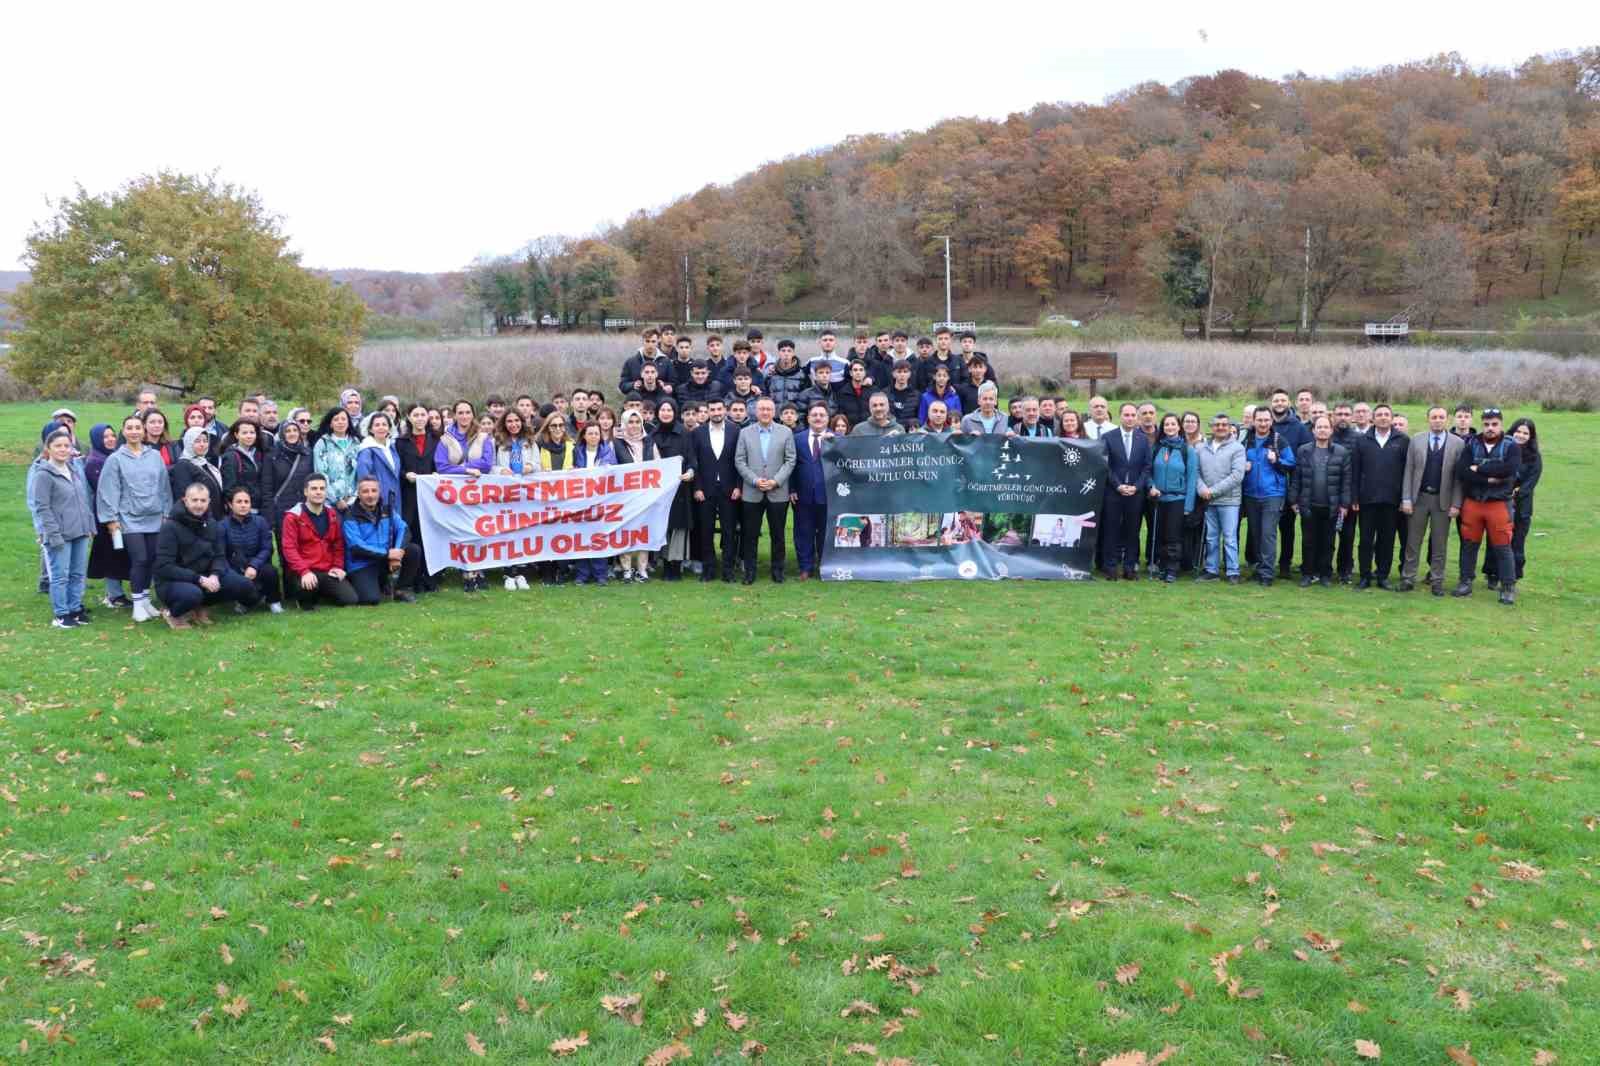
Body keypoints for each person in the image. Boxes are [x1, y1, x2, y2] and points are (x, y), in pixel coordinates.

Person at [97, 412, 173, 622]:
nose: (134, 431)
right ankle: (137, 604)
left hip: (155, 517)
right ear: (123, 431)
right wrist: (111, 520)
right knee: (139, 559)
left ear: (144, 431)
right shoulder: (115, 459)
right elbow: (108, 490)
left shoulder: (154, 456)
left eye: (137, 428)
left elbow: (164, 486)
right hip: (129, 519)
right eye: (129, 428)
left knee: (151, 560)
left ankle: (146, 600)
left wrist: (166, 513)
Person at [152, 481, 257, 628]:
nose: (199, 504)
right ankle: (172, 613)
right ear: (185, 500)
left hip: (205, 576)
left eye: (203, 500)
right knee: (193, 594)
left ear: (209, 502)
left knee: (243, 585)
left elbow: (219, 556)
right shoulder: (169, 527)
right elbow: (164, 567)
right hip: (172, 581)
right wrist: (199, 579)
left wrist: (214, 575)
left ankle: (199, 607)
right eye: (194, 500)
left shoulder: (212, 524)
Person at [29, 426, 96, 628]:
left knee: (77, 574)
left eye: (67, 446)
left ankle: (75, 609)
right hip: (59, 534)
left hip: (80, 531)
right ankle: (61, 614)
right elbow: (42, 507)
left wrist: (89, 525)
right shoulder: (43, 474)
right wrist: (53, 534)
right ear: (48, 448)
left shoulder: (74, 469)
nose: (63, 449)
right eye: (58, 446)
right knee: (60, 576)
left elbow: (83, 499)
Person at [1453, 407, 1521, 605]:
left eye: (1494, 424)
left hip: (1499, 503)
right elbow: (1463, 471)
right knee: (1469, 544)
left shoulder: (1511, 446)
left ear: (1501, 424)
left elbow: (1509, 470)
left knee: (1502, 546)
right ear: (1482, 424)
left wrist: (1480, 469)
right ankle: (1465, 582)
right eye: (1487, 424)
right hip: (1473, 502)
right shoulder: (1472, 443)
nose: (1490, 428)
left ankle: (1508, 586)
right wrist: (1489, 479)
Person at [1398, 405, 1465, 595]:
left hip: (1442, 501)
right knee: (1413, 541)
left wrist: (1456, 503)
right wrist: (1406, 499)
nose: (1437, 420)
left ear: (1447, 419)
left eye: (1441, 417)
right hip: (1419, 498)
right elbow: (1408, 471)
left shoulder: (1458, 444)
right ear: (1428, 419)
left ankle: (1437, 581)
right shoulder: (1416, 440)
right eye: (1434, 417)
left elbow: (1459, 479)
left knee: (1439, 543)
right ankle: (1408, 578)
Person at [734, 397, 797, 585]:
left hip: (777, 492)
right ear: (755, 411)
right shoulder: (745, 433)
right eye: (762, 409)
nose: (765, 412)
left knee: (778, 534)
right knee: (750, 534)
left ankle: (778, 571)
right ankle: (750, 572)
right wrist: (754, 480)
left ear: (774, 411)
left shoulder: (785, 432)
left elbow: (790, 460)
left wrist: (775, 481)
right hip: (752, 492)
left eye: (769, 409)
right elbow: (739, 460)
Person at [435, 400, 494, 592]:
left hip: (478, 492)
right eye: (460, 412)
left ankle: (480, 570)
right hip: (456, 494)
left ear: (472, 414)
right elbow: (441, 466)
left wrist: (462, 469)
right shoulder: (445, 438)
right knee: (461, 531)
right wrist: (466, 470)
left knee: (478, 530)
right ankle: (466, 571)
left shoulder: (483, 437)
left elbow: (486, 464)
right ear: (454, 415)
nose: (464, 416)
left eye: (468, 412)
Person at [1290, 414, 1353, 587]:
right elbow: (1297, 477)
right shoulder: (1303, 450)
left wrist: (1344, 504)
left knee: (1328, 542)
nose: (1323, 430)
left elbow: (1346, 481)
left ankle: (1325, 575)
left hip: (1331, 506)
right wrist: (1293, 500)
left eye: (1326, 427)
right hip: (1308, 504)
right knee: (1308, 541)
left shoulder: (1341, 452)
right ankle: (1307, 574)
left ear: (1331, 430)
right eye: (1319, 427)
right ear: (1313, 430)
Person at [1350, 404, 1409, 590]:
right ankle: (1365, 576)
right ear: (1372, 418)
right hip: (1367, 500)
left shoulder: (1403, 440)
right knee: (1366, 540)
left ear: (1391, 418)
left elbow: (1407, 472)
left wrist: (1403, 498)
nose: (1383, 417)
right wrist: (1354, 498)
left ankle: (1383, 576)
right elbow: (1355, 471)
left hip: (1391, 501)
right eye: (1379, 415)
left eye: (1386, 414)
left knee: (1387, 540)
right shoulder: (1362, 441)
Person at [280, 473, 357, 609]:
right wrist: (304, 571)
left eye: (322, 489)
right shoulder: (292, 517)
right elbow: (289, 549)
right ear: (305, 492)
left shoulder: (332, 514)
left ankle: (321, 592)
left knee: (350, 599)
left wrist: (337, 567)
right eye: (314, 489)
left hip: (327, 570)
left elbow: (338, 545)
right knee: (308, 601)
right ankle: (305, 596)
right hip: (303, 571)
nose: (318, 492)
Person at [343, 476, 420, 605]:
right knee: (370, 599)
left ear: (379, 492)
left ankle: (400, 589)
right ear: (358, 494)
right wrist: (387, 553)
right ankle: (370, 584)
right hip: (362, 563)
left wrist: (396, 553)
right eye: (365, 491)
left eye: (374, 491)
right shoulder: (350, 515)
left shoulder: (387, 510)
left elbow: (404, 529)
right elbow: (356, 546)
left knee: (413, 550)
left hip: (385, 559)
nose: (370, 495)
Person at [1240, 407, 1295, 587]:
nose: (1263, 423)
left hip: (1273, 494)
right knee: (1255, 534)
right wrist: (1243, 467)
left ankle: (1267, 573)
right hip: (1250, 494)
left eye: (1266, 420)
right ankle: (1258, 567)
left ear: (1271, 421)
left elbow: (1291, 463)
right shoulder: (1246, 440)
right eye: (1259, 420)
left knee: (1267, 534)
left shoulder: (1279, 441)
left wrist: (1276, 461)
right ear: (1253, 421)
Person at [1485, 417, 1539, 588]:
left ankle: (1512, 577)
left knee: (1516, 541)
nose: (1521, 435)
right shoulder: (1502, 449)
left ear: (1530, 436)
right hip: (1498, 502)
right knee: (1496, 539)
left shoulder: (1534, 457)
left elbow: (1530, 483)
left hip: (1521, 506)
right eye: (1518, 431)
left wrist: (1515, 493)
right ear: (1512, 431)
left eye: (1525, 433)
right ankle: (1493, 573)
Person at [83, 422, 133, 608]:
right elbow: (106, 490)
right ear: (97, 440)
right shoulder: (95, 462)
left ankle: (117, 593)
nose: (110, 439)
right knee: (111, 555)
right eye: (105, 437)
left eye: (112, 435)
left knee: (119, 554)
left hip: (120, 512)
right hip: (107, 516)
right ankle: (114, 595)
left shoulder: (112, 456)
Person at [692, 398, 743, 582]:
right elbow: (694, 462)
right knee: (706, 531)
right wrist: (697, 487)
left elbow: (740, 461)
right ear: (707, 412)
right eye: (712, 409)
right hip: (705, 490)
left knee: (729, 532)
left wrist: (739, 486)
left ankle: (728, 571)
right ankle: (708, 570)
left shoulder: (735, 431)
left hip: (730, 490)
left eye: (719, 409)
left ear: (725, 410)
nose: (716, 412)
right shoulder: (698, 433)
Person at [1101, 403, 1153, 580]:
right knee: (1111, 530)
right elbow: (1105, 465)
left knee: (1133, 531)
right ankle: (1111, 567)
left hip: (1135, 494)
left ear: (1136, 417)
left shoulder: (1143, 438)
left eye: (1133, 415)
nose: (1130, 418)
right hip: (1114, 493)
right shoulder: (1108, 437)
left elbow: (1147, 467)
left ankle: (1130, 568)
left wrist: (1136, 487)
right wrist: (1118, 485)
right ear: (1120, 416)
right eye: (1126, 415)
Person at [1195, 413, 1246, 584]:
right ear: (1211, 427)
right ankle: (1212, 570)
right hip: (1209, 500)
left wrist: (1213, 491)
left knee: (1230, 537)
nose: (1221, 427)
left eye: (1224, 424)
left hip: (1229, 501)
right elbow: (1196, 473)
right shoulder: (1201, 448)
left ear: (1230, 427)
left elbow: (1237, 475)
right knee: (1211, 537)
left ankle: (1233, 571)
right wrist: (1202, 489)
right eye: (1217, 425)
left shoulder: (1237, 448)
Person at [1266, 388, 1312, 576]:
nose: (1279, 404)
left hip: (1290, 484)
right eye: (1276, 400)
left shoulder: (1298, 427)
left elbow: (1305, 456)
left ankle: (1285, 564)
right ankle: (1263, 563)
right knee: (1265, 528)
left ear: (1288, 403)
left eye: (1283, 400)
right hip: (1266, 484)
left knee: (1287, 528)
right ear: (1271, 403)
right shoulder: (1264, 423)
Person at [1148, 414, 1197, 583]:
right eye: (1166, 424)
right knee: (1159, 534)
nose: (1169, 427)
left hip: (1178, 499)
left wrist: (1188, 506)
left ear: (1179, 427)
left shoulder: (1187, 450)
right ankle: (1162, 567)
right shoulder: (1157, 448)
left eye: (1173, 424)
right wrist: (1151, 486)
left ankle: (1172, 569)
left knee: (1173, 536)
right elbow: (1148, 472)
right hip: (1159, 499)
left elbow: (1192, 479)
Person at [612, 410, 661, 582]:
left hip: (645, 495)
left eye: (637, 422)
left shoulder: (649, 442)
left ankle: (642, 568)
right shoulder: (616, 443)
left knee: (643, 532)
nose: (634, 425)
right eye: (630, 422)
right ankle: (626, 568)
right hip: (624, 496)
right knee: (625, 531)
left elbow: (659, 465)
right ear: (624, 424)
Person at [650, 399, 696, 580]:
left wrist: (691, 472)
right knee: (662, 526)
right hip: (659, 491)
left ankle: (675, 567)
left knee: (677, 528)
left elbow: (692, 459)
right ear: (658, 412)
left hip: (679, 489)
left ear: (674, 412)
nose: (666, 413)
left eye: (669, 410)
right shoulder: (652, 435)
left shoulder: (684, 433)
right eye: (663, 409)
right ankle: (663, 565)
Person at [395, 403, 438, 593]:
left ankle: (428, 579)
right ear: (409, 417)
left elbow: (442, 463)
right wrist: (406, 475)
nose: (420, 418)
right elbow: (397, 467)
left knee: (429, 535)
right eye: (416, 415)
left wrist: (437, 474)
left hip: (431, 495)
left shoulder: (437, 439)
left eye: (423, 414)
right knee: (411, 534)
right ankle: (409, 579)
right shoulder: (400, 442)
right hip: (409, 495)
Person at [220, 486, 284, 613]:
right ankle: (246, 602)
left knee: (270, 571)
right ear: (230, 505)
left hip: (258, 566)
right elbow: (221, 554)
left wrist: (254, 565)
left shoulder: (260, 522)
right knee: (240, 585)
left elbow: (267, 548)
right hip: (235, 568)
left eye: (246, 502)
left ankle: (274, 601)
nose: (243, 505)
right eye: (239, 502)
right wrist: (237, 569)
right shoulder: (222, 526)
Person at [571, 423, 617, 586]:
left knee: (599, 537)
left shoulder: (608, 453)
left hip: (600, 501)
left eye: (596, 434)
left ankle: (600, 574)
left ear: (600, 435)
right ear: (584, 435)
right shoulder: (576, 452)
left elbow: (614, 474)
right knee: (582, 538)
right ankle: (582, 574)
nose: (593, 436)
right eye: (590, 433)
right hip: (581, 501)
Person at [791, 402, 832, 580]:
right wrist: (791, 488)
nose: (818, 418)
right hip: (803, 494)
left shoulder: (836, 439)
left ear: (827, 418)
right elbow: (791, 465)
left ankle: (824, 565)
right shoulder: (797, 439)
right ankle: (805, 567)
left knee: (825, 532)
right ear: (808, 418)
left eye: (822, 415)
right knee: (803, 532)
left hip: (829, 495)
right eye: (814, 415)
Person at [170, 427, 227, 519]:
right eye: (197, 441)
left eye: (205, 441)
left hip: (214, 519)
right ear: (189, 442)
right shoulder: (183, 465)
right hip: (199, 520)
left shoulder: (206, 463)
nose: (202, 444)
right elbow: (184, 497)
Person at [313, 407, 360, 510]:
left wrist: (354, 497)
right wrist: (336, 499)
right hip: (330, 502)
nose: (340, 422)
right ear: (330, 423)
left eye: (343, 419)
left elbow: (360, 472)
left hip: (353, 501)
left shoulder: (356, 443)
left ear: (348, 422)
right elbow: (321, 473)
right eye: (336, 419)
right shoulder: (323, 443)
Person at [220, 418, 267, 514]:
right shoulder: (231, 457)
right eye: (244, 433)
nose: (249, 436)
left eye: (252, 432)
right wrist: (243, 505)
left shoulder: (259, 453)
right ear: (236, 435)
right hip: (243, 510)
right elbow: (229, 488)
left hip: (260, 508)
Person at [887, 362, 921, 430]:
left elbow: (919, 418)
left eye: (905, 372)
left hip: (909, 435)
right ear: (893, 374)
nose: (902, 375)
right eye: (899, 372)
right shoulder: (885, 394)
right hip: (889, 432)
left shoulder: (917, 395)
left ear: (910, 374)